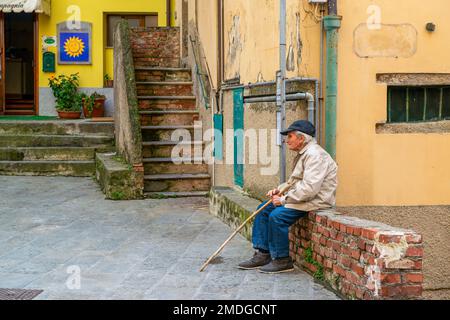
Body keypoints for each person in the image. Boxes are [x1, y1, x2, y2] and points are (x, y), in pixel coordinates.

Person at [238, 120, 338, 274]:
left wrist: (283, 199)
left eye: (290, 136)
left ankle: (282, 260)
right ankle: (263, 254)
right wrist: (279, 190)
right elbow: (294, 181)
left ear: (301, 138)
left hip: (315, 201)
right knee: (262, 209)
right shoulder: (305, 153)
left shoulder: (315, 155)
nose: (286, 140)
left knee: (277, 216)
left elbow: (310, 189)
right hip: (302, 198)